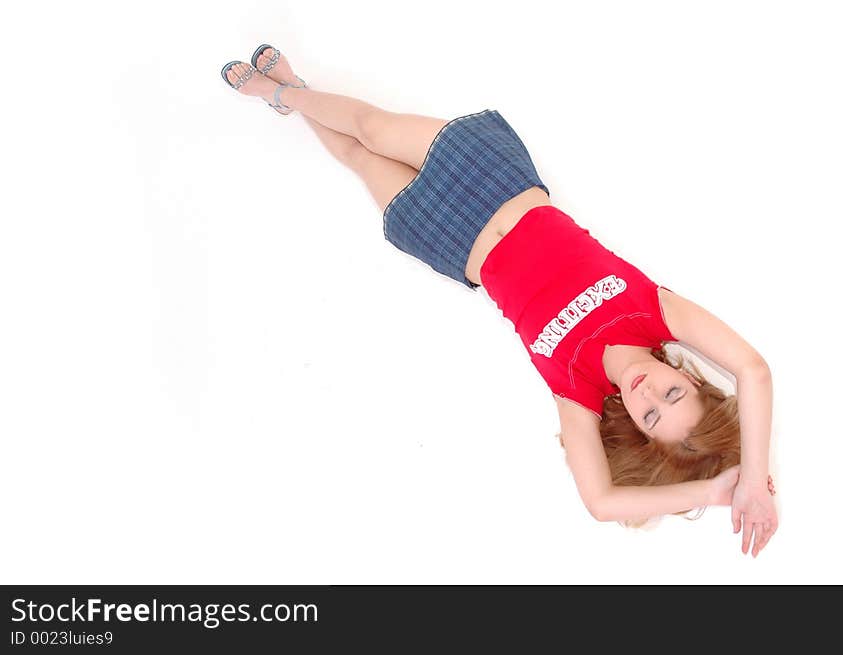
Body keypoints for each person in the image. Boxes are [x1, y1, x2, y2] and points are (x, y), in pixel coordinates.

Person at [221, 45, 778, 557]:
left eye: (651, 415)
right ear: (689, 375)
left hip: (446, 235)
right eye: (673, 390)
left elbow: (601, 503)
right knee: (372, 127)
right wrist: (753, 477)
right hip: (495, 179)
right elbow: (753, 369)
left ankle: (289, 91)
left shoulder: (577, 391)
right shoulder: (657, 313)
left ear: (636, 425)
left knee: (361, 159)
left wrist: (714, 491)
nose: (648, 393)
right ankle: (282, 91)